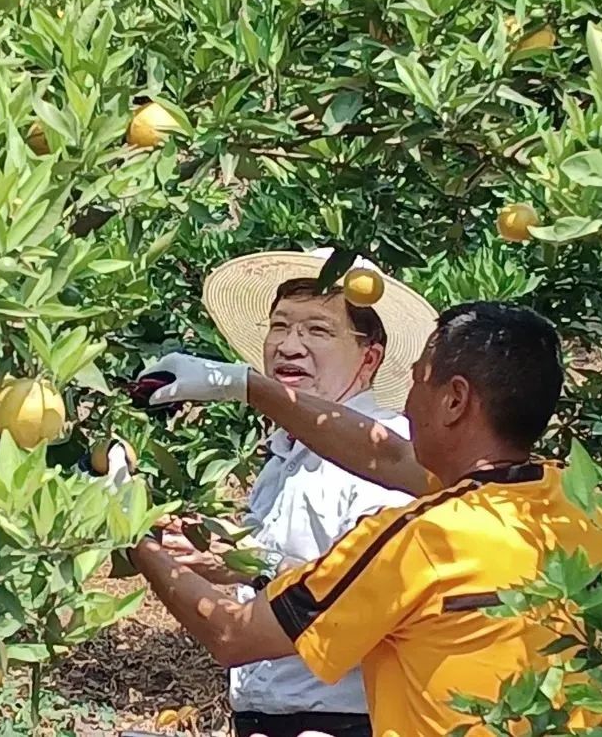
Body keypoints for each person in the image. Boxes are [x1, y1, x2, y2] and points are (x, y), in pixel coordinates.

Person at [131, 300, 602, 736]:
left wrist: (131, 532)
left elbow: (234, 633)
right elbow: (387, 458)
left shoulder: (423, 540)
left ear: (454, 400)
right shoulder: (580, 507)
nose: (406, 404)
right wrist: (244, 386)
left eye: (417, 381)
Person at [158, 249, 435, 737]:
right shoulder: (283, 456)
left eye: (318, 330)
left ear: (369, 357)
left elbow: (374, 601)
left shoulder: (386, 458)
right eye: (280, 327)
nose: (290, 345)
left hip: (345, 721)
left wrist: (252, 562)